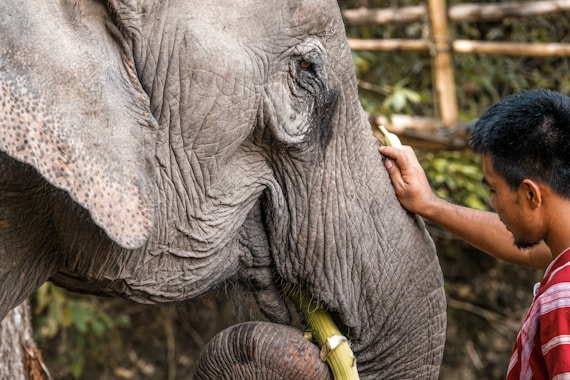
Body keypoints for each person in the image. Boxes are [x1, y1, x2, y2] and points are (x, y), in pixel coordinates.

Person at [378, 88, 570, 379]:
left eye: (494, 190)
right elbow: (531, 250)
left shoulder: (562, 298)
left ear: (531, 194)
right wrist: (429, 204)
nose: (494, 203)